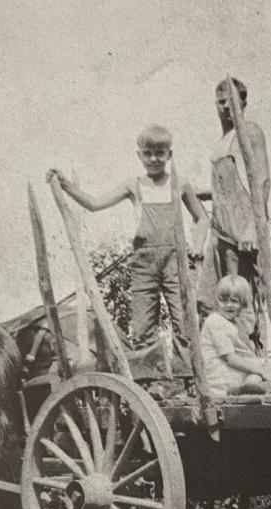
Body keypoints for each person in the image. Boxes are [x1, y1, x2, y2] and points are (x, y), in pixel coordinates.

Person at [48, 125, 209, 351]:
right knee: (143, 328)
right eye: (148, 153)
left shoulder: (180, 183)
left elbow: (201, 218)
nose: (153, 159)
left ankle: (190, 381)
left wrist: (198, 246)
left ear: (169, 154)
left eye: (160, 153)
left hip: (175, 261)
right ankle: (151, 385)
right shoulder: (133, 185)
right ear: (139, 155)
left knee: (184, 323)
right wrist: (66, 185)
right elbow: (94, 204)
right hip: (144, 265)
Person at [202, 76, 270, 353]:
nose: (227, 110)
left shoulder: (250, 131)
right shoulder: (222, 139)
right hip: (222, 231)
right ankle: (231, 363)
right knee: (221, 299)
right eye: (221, 104)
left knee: (246, 299)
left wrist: (253, 228)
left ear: (243, 103)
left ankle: (255, 360)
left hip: (244, 230)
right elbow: (223, 188)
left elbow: (262, 180)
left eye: (232, 104)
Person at [201, 275, 271, 397]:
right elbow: (230, 359)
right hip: (219, 377)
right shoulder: (217, 322)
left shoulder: (227, 322)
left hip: (222, 372)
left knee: (268, 366)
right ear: (217, 301)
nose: (228, 305)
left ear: (242, 303)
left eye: (234, 301)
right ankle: (246, 388)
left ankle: (252, 387)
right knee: (267, 368)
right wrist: (261, 369)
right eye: (223, 300)